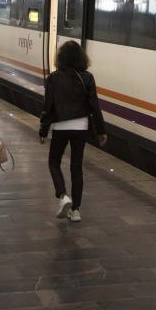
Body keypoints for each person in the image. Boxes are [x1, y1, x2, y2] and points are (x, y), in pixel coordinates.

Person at [38, 41, 107, 223]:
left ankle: (63, 195)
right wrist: (101, 130)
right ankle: (76, 210)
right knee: (76, 167)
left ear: (60, 58)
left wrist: (43, 130)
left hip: (61, 127)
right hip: (81, 127)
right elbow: (95, 107)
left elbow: (48, 107)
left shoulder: (53, 78)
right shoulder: (88, 78)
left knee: (54, 161)